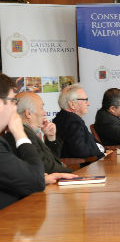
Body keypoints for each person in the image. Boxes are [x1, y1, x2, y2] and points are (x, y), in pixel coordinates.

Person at [0, 74, 76, 209]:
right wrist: (19, 134)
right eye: (12, 101)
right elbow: (35, 178)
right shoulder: (17, 136)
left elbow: (40, 169)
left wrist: (51, 139)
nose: (14, 109)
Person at [4, 92, 72, 173]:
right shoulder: (23, 134)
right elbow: (45, 167)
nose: (45, 113)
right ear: (28, 113)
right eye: (41, 108)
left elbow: (51, 160)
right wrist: (73, 173)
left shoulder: (27, 132)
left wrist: (51, 137)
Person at [53, 84, 105, 159]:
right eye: (85, 100)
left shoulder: (64, 118)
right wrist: (101, 150)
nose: (88, 103)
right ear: (72, 104)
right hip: (81, 167)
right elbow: (81, 150)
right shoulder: (72, 121)